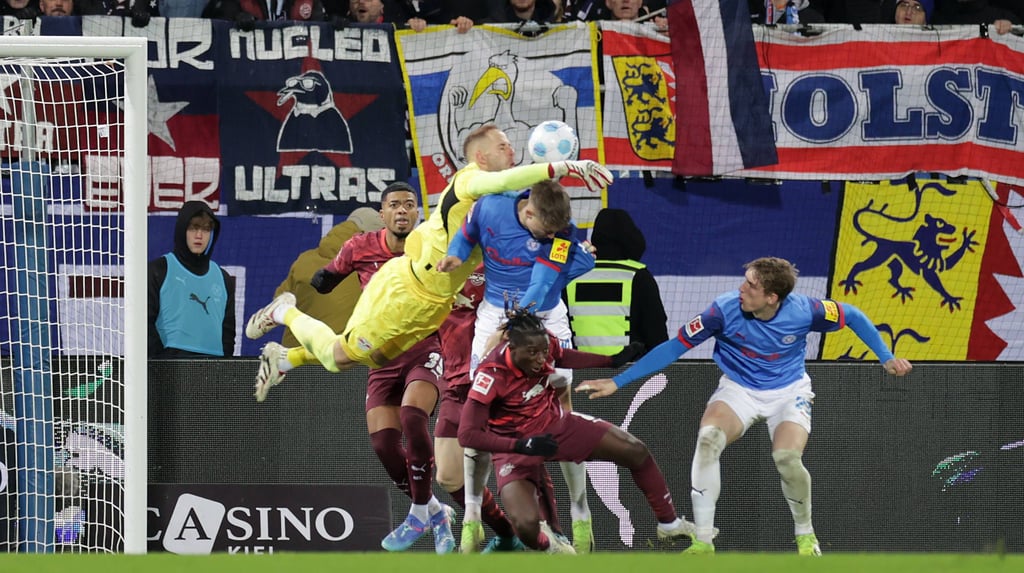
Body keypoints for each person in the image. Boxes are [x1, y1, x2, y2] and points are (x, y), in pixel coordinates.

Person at [577, 257, 914, 556]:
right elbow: (674, 347)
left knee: (786, 458)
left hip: (789, 391)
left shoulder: (805, 310)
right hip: (738, 389)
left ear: (772, 297)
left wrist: (885, 357)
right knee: (708, 439)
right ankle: (703, 542)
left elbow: (852, 315)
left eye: (751, 285)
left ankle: (805, 535)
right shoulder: (722, 310)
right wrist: (617, 382)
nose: (742, 289)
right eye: (745, 280)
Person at [244, 123, 612, 377]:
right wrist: (563, 164)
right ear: (481, 157)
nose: (513, 151)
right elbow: (505, 179)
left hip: (436, 302)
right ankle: (285, 314)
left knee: (378, 357)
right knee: (339, 356)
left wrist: (575, 244)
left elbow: (537, 212)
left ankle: (286, 360)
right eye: (503, 146)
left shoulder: (504, 202)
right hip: (408, 288)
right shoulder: (471, 179)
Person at [256, 182, 457, 554]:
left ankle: (417, 512)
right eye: (394, 205)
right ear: (381, 215)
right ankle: (434, 512)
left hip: (424, 348)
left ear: (418, 214)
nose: (401, 211)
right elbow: (326, 278)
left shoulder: (430, 247)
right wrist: (323, 278)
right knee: (383, 443)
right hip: (379, 356)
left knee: (413, 416)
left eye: (409, 205)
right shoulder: (359, 247)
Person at [438, 180, 599, 553]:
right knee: (479, 415)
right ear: (528, 212)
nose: (553, 235)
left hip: (543, 315)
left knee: (563, 414)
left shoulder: (562, 233)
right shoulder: (490, 206)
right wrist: (455, 254)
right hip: (494, 311)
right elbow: (467, 232)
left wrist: (508, 330)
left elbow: (541, 284)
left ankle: (581, 514)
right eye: (546, 229)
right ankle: (471, 519)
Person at [457, 307, 692, 553]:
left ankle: (669, 523)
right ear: (511, 348)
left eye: (544, 352)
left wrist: (611, 361)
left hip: (557, 427)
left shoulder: (541, 343)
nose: (541, 359)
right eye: (533, 353)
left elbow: (563, 356)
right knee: (525, 526)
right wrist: (519, 445)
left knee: (636, 451)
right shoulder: (491, 375)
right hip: (514, 448)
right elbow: (467, 435)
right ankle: (553, 548)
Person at [433, 265, 526, 553]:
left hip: (498, 386)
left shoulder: (497, 263)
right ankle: (507, 534)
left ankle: (550, 540)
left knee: (518, 473)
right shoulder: (429, 266)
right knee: (448, 475)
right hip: (455, 386)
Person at [273, 208, 384, 349]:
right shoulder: (374, 269)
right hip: (342, 361)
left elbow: (279, 301)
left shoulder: (304, 259)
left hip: (292, 357)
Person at [564, 207, 668, 357]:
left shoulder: (572, 275)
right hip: (629, 376)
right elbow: (657, 335)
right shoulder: (638, 276)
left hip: (580, 374)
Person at [148, 201, 235, 358]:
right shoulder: (158, 270)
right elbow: (144, 323)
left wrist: (224, 368)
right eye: (194, 227)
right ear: (182, 229)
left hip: (214, 370)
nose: (199, 235)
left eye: (206, 229)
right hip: (170, 369)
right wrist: (161, 366)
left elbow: (228, 333)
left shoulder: (224, 279)